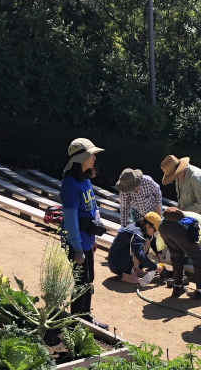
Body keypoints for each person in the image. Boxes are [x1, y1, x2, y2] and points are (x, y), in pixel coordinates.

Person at [61, 138, 107, 329]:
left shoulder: (85, 180)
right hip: (76, 242)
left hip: (87, 240)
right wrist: (77, 248)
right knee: (81, 282)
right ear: (80, 158)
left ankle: (85, 317)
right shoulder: (70, 184)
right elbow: (71, 219)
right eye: (91, 155)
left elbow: (90, 210)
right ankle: (77, 322)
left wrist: (93, 239)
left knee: (89, 280)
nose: (94, 158)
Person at [160, 207, 201, 298]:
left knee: (176, 256)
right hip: (179, 228)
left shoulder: (199, 218)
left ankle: (178, 287)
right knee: (199, 257)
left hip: (163, 225)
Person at [108, 212, 160, 284]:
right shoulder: (136, 234)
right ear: (147, 225)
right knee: (142, 245)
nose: (155, 232)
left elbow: (155, 245)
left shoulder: (143, 229)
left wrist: (161, 263)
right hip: (116, 264)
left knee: (148, 241)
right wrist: (155, 267)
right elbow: (139, 255)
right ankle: (129, 273)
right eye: (154, 230)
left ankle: (135, 269)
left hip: (121, 260)